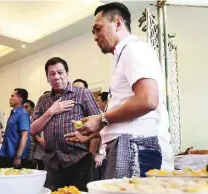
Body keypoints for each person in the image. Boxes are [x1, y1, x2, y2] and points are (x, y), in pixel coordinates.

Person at [65, 2, 174, 179]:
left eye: (98, 29)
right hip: (126, 144)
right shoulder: (125, 54)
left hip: (132, 145)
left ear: (117, 23)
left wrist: (101, 119)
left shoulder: (134, 49)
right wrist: (95, 130)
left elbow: (148, 99)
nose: (95, 36)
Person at [31, 57, 100, 191]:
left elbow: (98, 125)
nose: (56, 77)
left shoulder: (82, 94)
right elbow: (32, 130)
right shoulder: (43, 100)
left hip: (79, 160)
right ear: (47, 78)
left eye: (60, 72)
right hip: (52, 162)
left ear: (67, 74)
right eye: (52, 74)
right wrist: (50, 112)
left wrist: (92, 154)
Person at [0, 88, 30, 169]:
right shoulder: (13, 113)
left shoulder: (22, 114)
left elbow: (25, 136)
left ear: (20, 99)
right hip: (5, 154)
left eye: (12, 96)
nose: (10, 98)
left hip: (14, 157)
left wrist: (18, 156)